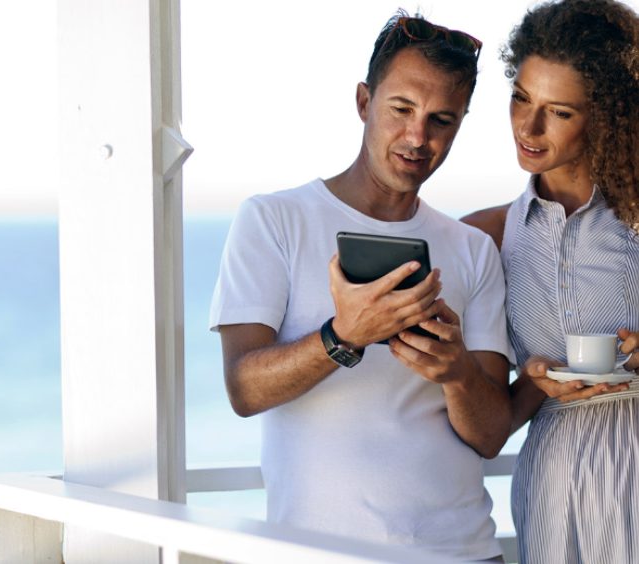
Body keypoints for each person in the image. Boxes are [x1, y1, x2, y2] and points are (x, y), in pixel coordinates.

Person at [209, 11, 511, 562]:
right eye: (401, 109)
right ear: (363, 102)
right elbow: (243, 390)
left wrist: (457, 371)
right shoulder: (274, 220)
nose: (418, 137)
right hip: (320, 553)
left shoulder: (471, 250)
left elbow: (490, 436)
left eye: (442, 120)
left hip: (462, 551)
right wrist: (343, 336)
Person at [462, 0, 639, 561]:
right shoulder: (486, 235)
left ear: (606, 115)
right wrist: (533, 380)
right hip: (550, 475)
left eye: (559, 112)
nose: (528, 127)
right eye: (521, 98)